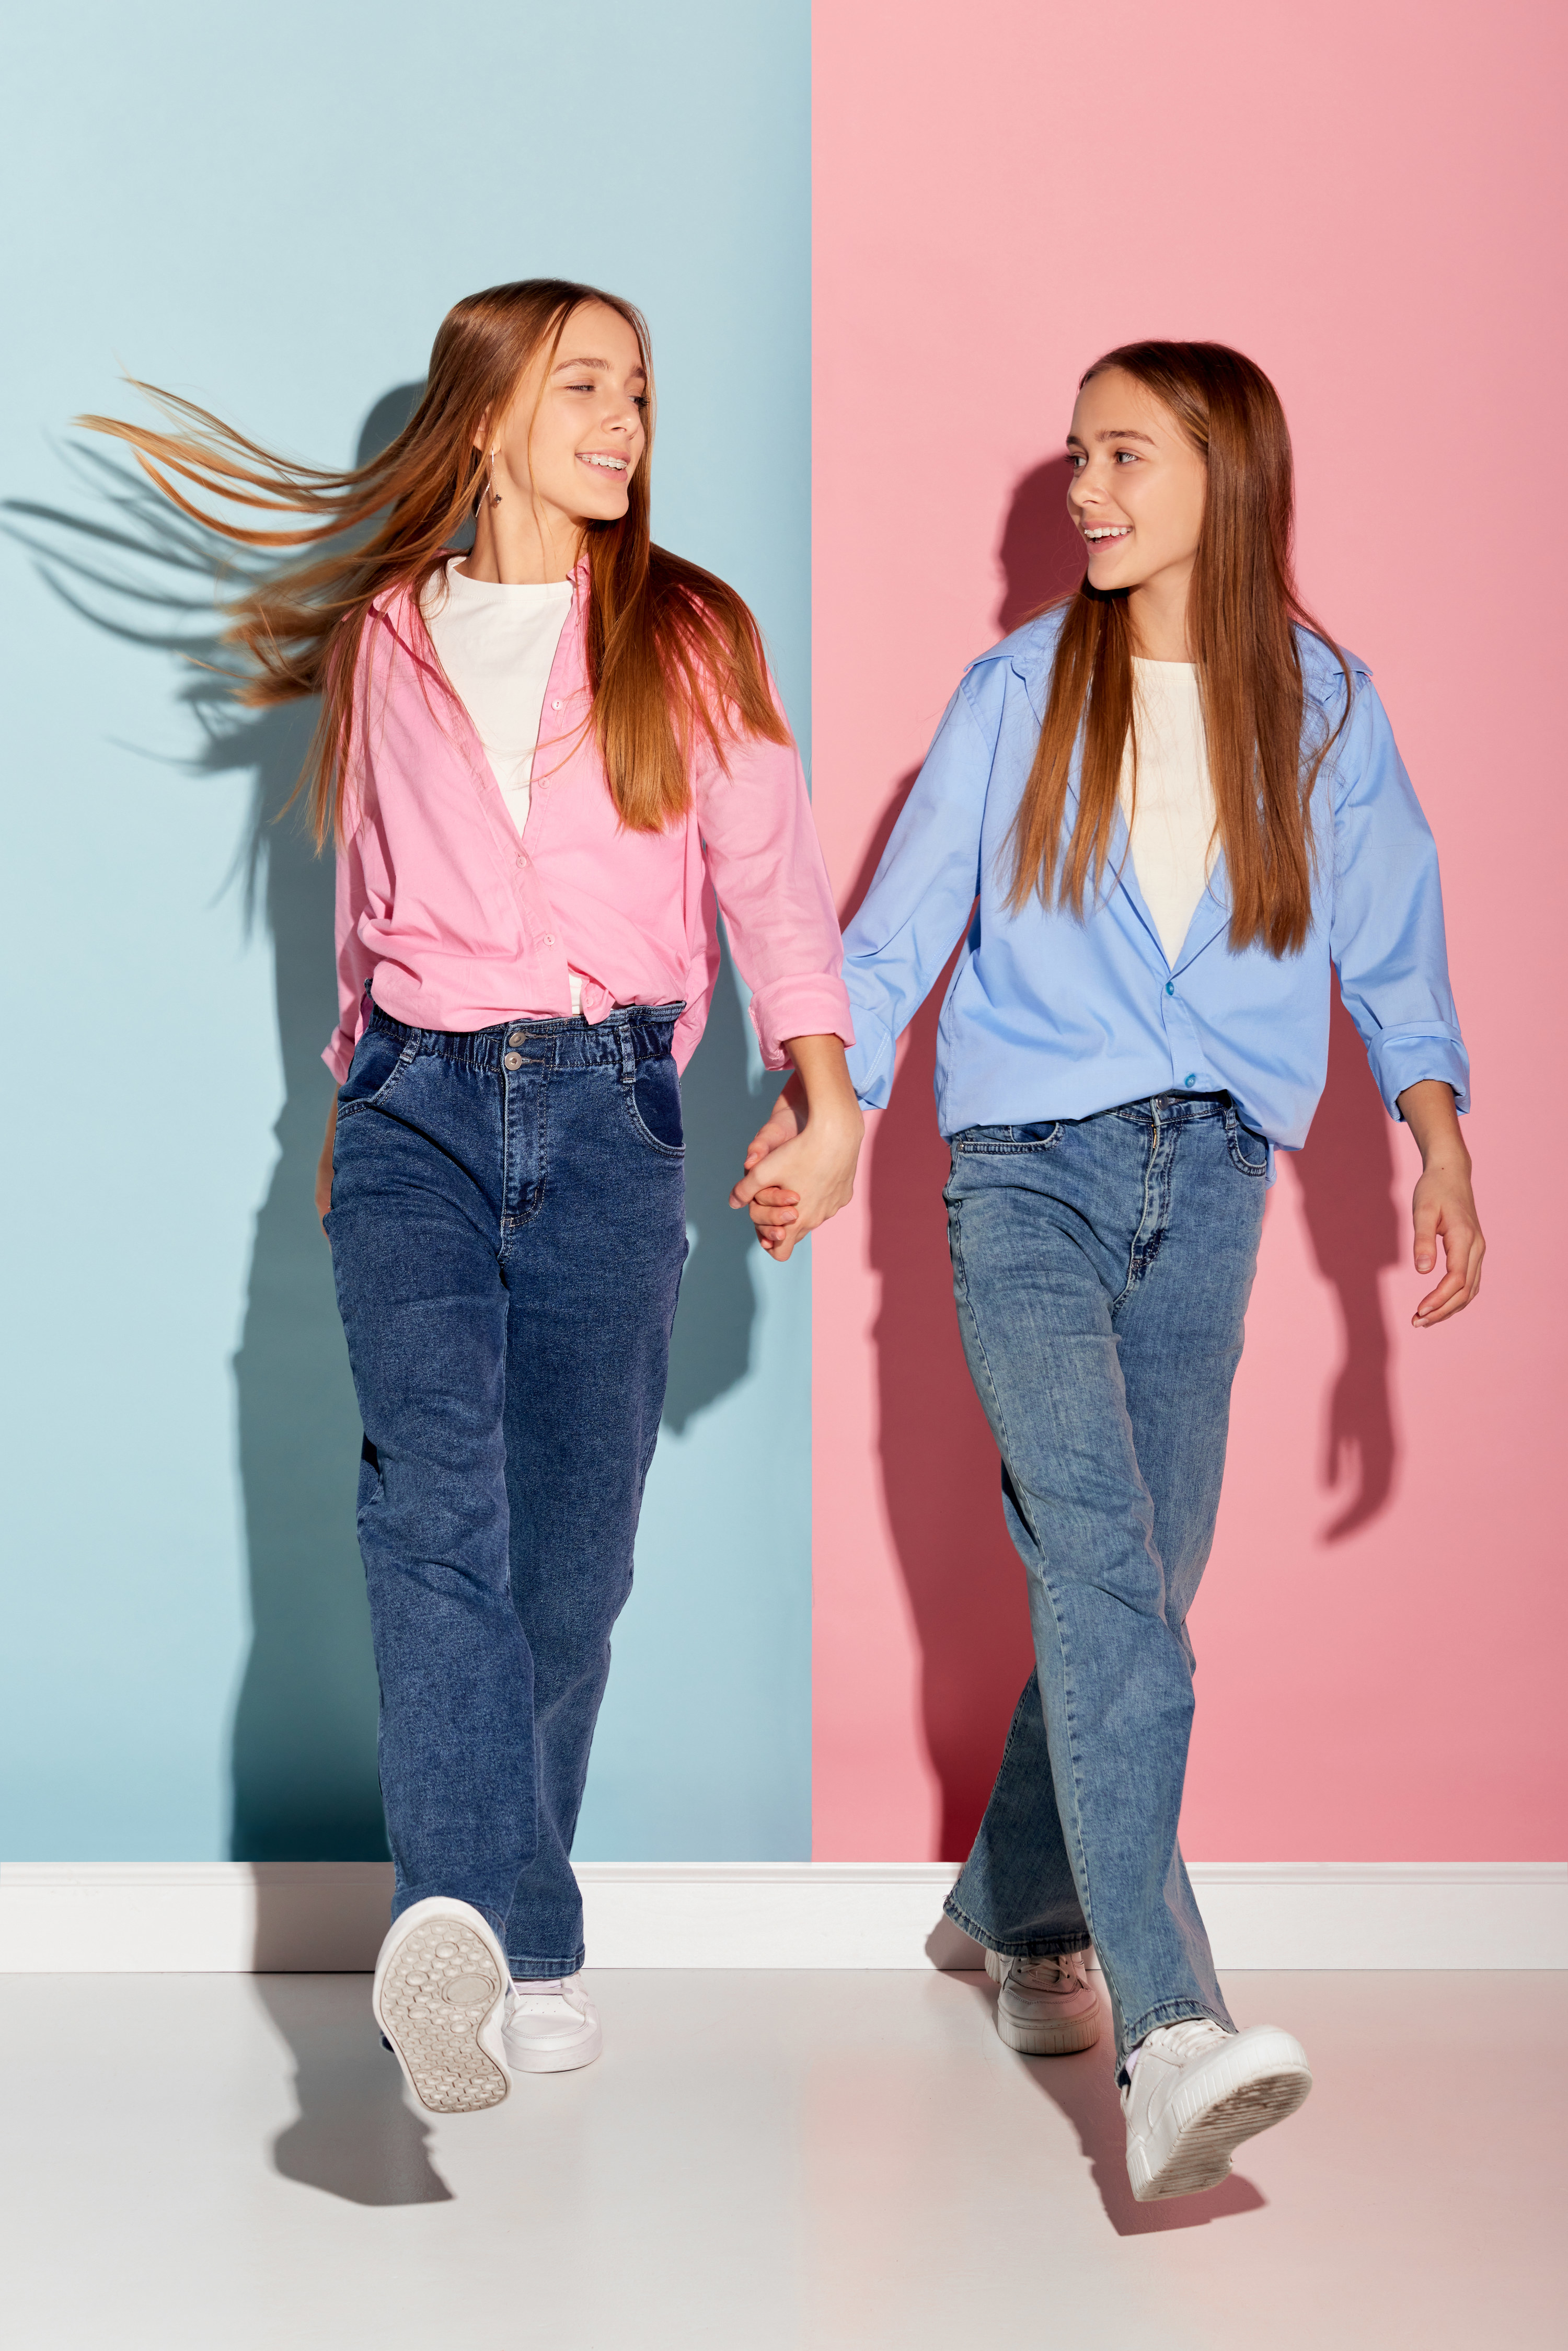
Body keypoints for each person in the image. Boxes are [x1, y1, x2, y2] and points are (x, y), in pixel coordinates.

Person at [86, 279, 862, 2114]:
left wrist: (823, 1101)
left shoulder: (690, 632)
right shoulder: (385, 639)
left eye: (644, 393)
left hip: (612, 1115)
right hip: (418, 1111)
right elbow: (362, 903)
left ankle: (530, 1930)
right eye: (587, 384)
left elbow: (775, 888)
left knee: (570, 1563)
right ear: (490, 410)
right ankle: (450, 1920)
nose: (625, 421)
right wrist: (356, 1096)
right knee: (430, 1502)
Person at [741, 341, 1482, 2200]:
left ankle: (1009, 1900)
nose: (1083, 484)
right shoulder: (1017, 694)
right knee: (1102, 1569)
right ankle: (1173, 2032)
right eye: (1076, 452)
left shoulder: (1320, 704)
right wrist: (831, 1118)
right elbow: (894, 939)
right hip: (1023, 1181)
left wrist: (1440, 1137)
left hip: (1218, 1176)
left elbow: (1392, 935)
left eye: (1123, 452)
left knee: (1143, 1582)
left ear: (1223, 472)